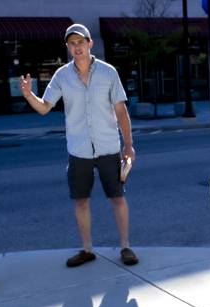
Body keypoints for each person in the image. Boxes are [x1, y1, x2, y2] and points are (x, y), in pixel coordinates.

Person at [19, 23, 139, 267]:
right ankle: (87, 249)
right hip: (79, 150)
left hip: (108, 147)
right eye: (72, 43)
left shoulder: (108, 73)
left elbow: (121, 111)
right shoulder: (62, 76)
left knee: (117, 198)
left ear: (89, 44)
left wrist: (128, 145)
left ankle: (126, 246)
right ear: (68, 47)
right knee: (81, 200)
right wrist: (29, 95)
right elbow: (45, 107)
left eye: (80, 42)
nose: (77, 47)